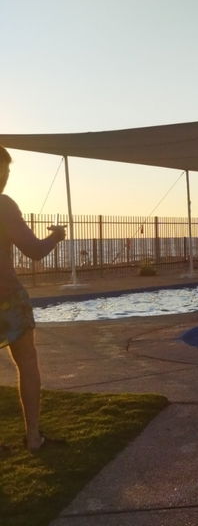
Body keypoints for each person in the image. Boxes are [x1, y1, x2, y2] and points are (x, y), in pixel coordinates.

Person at [1, 147, 67, 452]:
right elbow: (35, 252)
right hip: (7, 298)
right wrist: (57, 236)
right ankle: (33, 437)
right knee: (27, 363)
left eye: (7, 171)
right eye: (2, 171)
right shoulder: (3, 205)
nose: (4, 177)